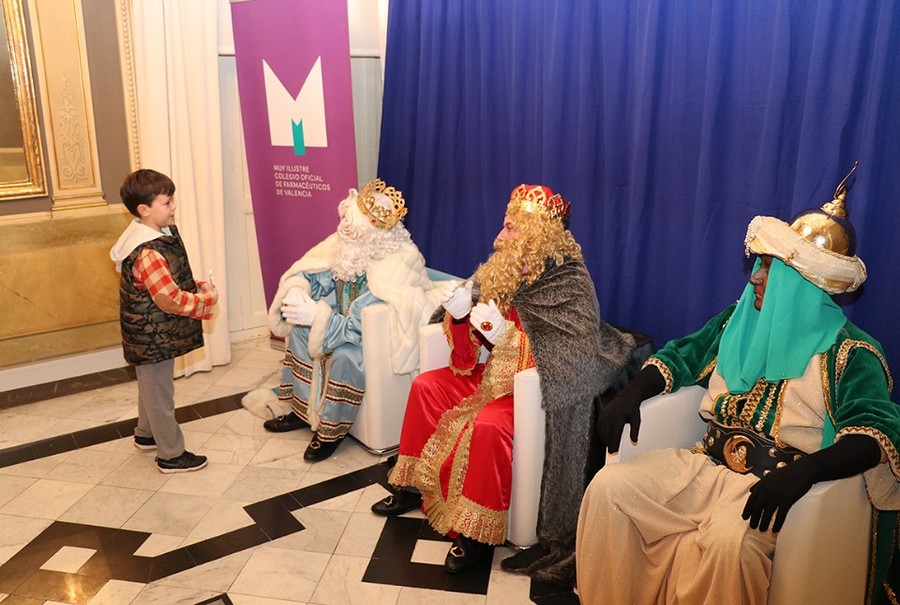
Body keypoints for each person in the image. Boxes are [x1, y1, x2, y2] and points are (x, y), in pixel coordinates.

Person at [576, 166, 900, 605]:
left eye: (767, 267)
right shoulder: (738, 318)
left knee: (730, 545)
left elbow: (875, 432)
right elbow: (682, 356)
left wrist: (804, 473)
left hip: (773, 490)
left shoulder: (852, 351)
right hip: (703, 467)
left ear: (799, 280)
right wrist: (631, 394)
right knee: (608, 491)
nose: (754, 277)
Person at [370, 184, 636, 583]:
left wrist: (503, 335)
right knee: (427, 385)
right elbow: (465, 356)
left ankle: (477, 535)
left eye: (511, 228)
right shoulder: (501, 268)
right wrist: (461, 316)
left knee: (490, 423)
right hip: (492, 376)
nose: (501, 235)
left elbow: (569, 355)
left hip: (533, 390)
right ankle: (412, 486)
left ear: (537, 234)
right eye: (504, 225)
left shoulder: (568, 279)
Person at [243, 179, 442, 462]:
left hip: (374, 338)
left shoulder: (395, 264)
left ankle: (330, 432)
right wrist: (299, 288)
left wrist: (317, 316)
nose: (344, 226)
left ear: (371, 231)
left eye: (352, 222)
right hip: (342, 322)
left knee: (345, 356)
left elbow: (361, 327)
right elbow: (315, 272)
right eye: (345, 217)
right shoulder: (346, 246)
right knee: (299, 332)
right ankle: (301, 411)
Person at [110, 168, 218, 473]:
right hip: (153, 335)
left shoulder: (149, 235)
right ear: (144, 210)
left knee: (151, 386)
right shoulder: (149, 251)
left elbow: (169, 280)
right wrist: (205, 302)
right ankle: (171, 454)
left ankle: (146, 435)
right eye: (167, 202)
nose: (173, 207)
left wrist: (195, 286)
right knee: (160, 394)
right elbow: (168, 299)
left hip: (152, 332)